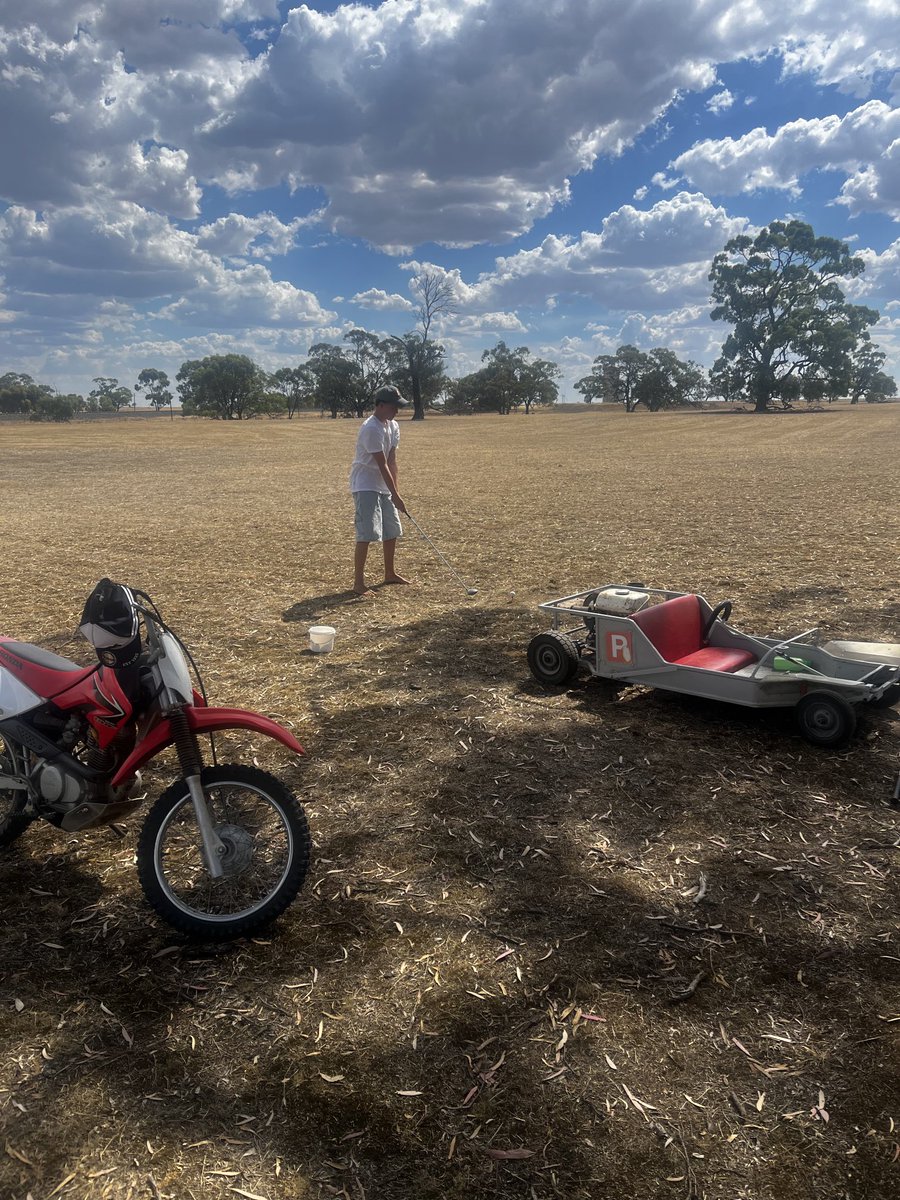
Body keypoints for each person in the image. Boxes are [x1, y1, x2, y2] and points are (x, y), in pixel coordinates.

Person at [349, 385, 412, 596]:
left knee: (391, 529)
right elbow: (381, 463)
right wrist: (394, 495)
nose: (397, 411)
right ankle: (359, 583)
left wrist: (396, 491)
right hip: (366, 484)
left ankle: (390, 573)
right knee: (366, 533)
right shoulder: (371, 428)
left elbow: (392, 461)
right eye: (394, 407)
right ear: (381, 405)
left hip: (384, 485)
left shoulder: (393, 426)